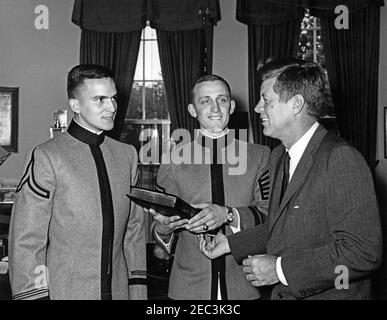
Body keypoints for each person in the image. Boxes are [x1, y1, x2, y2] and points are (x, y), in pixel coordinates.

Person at [199, 59, 383, 300]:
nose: (256, 108)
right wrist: (230, 244)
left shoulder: (340, 158)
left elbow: (363, 252)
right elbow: (282, 228)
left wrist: (280, 270)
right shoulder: (278, 157)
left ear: (296, 105)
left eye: (266, 101)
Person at [9, 64, 147, 300]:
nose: (111, 107)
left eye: (113, 98)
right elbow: (26, 241)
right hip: (66, 293)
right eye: (100, 99)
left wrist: (137, 291)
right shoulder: (47, 156)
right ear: (75, 105)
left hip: (119, 292)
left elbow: (134, 233)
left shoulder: (127, 155)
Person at [151, 74, 271, 300]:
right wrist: (164, 230)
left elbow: (271, 215)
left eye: (222, 100)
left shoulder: (259, 156)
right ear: (192, 110)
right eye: (205, 100)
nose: (215, 108)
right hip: (188, 286)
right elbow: (160, 239)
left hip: (245, 284)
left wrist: (229, 215)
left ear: (232, 106)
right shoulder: (173, 160)